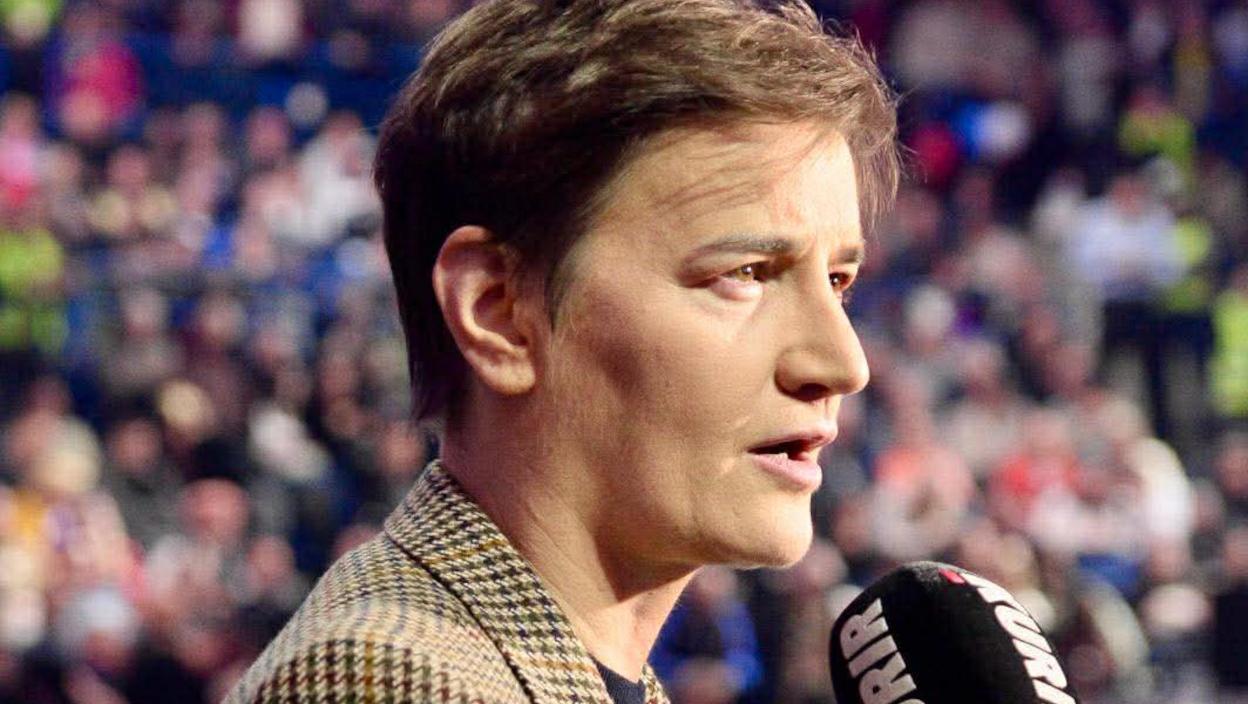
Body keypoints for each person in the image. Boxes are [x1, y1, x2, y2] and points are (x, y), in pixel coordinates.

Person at [225, 0, 899, 701]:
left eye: (838, 282)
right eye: (745, 274)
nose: (843, 364)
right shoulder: (397, 684)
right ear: (498, 312)